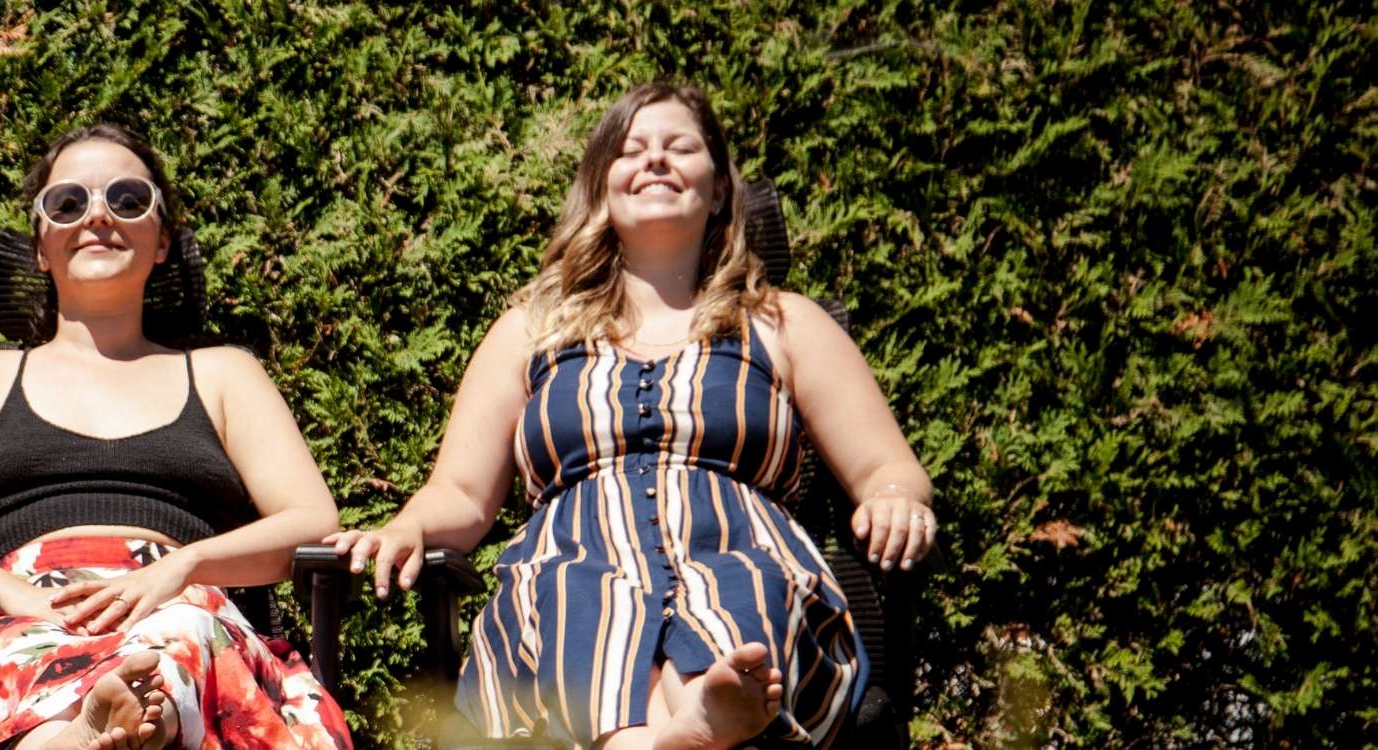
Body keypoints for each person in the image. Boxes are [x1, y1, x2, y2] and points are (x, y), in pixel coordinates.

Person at [323, 82, 939, 750]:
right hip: (571, 561)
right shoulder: (529, 331)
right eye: (631, 150)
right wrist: (406, 525)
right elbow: (461, 494)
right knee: (580, 592)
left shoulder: (782, 322)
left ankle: (674, 730)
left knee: (734, 593)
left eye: (680, 147)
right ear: (600, 186)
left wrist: (893, 498)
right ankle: (685, 734)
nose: (654, 161)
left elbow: (885, 466)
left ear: (719, 189)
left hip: (741, 550)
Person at [0, 123, 352, 750]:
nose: (97, 216)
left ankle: (117, 722)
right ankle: (116, 726)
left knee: (180, 633)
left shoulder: (226, 374)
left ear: (163, 240)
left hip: (175, 598)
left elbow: (311, 519)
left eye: (127, 199)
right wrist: (14, 595)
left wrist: (184, 567)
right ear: (40, 248)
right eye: (67, 203)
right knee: (44, 654)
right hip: (23, 613)